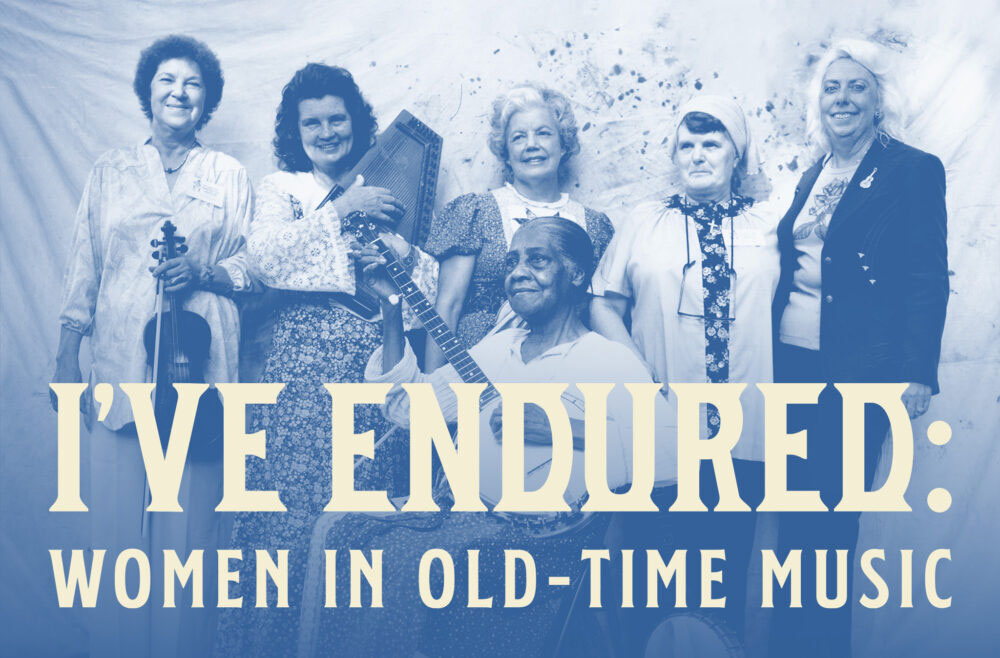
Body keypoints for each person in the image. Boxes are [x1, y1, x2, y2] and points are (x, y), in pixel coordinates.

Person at [299, 217, 677, 657]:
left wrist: (569, 429)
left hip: (548, 540)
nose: (517, 272)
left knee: (413, 559)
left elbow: (671, 461)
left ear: (575, 273)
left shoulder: (609, 360)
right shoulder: (498, 349)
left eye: (537, 260)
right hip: (468, 516)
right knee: (344, 532)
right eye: (511, 261)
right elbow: (409, 406)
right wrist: (390, 307)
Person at [216, 63, 435, 656]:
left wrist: (392, 255)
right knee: (289, 516)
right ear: (296, 129)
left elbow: (426, 289)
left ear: (357, 122)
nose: (326, 130)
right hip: (301, 367)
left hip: (374, 358)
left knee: (361, 514)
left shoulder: (395, 184)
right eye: (311, 121)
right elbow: (265, 259)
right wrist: (343, 210)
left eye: (337, 118)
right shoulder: (283, 188)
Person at [51, 35, 253, 658]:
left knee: (189, 537)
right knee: (115, 534)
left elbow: (253, 264)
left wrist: (207, 272)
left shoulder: (228, 174)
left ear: (206, 99)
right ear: (148, 91)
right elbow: (86, 263)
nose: (179, 92)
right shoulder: (110, 170)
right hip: (118, 361)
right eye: (167, 80)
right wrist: (67, 355)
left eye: (192, 83)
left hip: (201, 368)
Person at [769, 39, 949, 657]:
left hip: (857, 370)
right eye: (830, 88)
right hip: (792, 365)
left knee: (833, 519)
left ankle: (819, 649)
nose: (841, 99)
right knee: (794, 518)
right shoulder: (813, 172)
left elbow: (928, 275)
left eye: (856, 87)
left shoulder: (910, 168)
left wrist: (917, 370)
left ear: (879, 101)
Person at [589, 95, 779, 647]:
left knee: (722, 573)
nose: (698, 155)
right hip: (661, 425)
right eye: (687, 145)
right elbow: (604, 302)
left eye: (712, 143)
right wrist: (641, 380)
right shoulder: (643, 223)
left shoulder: (771, 225)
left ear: (737, 155)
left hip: (742, 426)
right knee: (654, 571)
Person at [424, 83, 615, 370]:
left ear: (563, 144)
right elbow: (447, 306)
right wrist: (433, 389)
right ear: (506, 153)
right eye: (518, 137)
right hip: (477, 369)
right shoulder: (475, 211)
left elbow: (601, 311)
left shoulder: (595, 226)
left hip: (564, 371)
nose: (531, 145)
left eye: (543, 133)